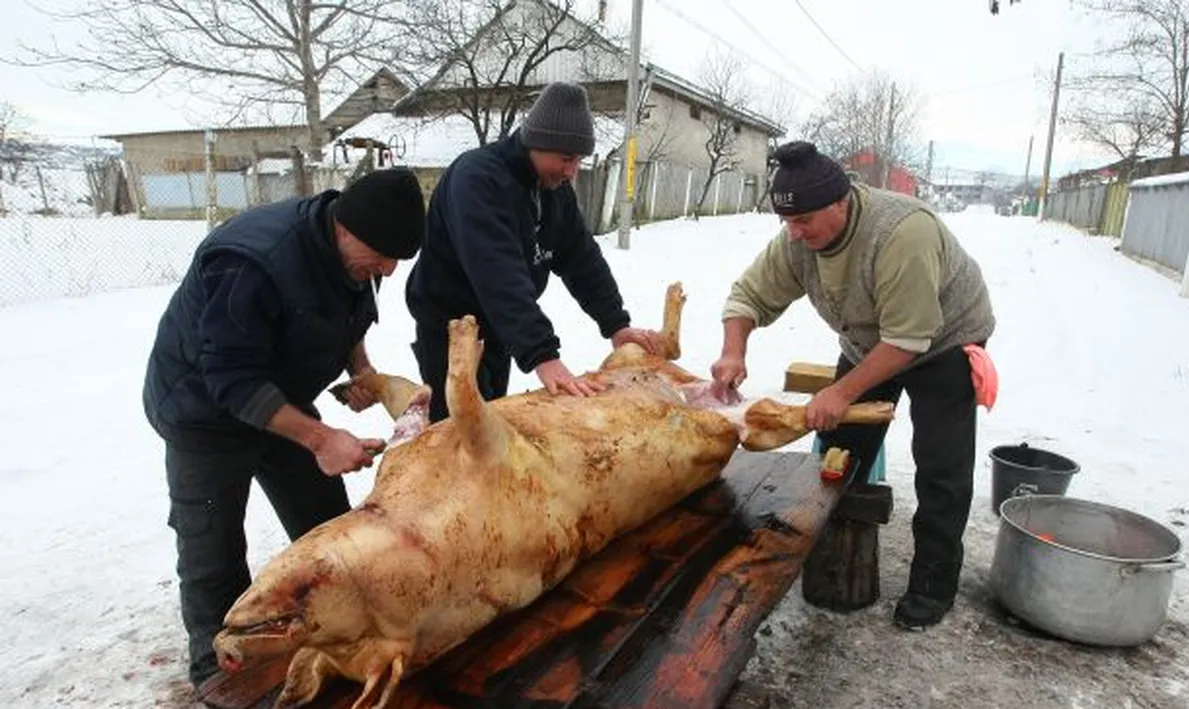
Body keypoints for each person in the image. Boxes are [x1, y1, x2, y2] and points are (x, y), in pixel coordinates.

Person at [140, 167, 427, 687]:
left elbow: (350, 313)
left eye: (395, 261)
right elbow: (231, 379)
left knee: (326, 523)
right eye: (382, 255)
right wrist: (321, 439)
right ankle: (221, 678)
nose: (387, 269)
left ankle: (337, 633)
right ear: (345, 227)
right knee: (213, 554)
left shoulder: (352, 251)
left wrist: (360, 369)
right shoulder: (252, 262)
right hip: (203, 413)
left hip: (279, 398)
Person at [711, 140, 996, 630]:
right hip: (868, 341)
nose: (794, 233)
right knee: (840, 453)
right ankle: (834, 554)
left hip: (944, 341)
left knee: (941, 466)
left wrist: (841, 392)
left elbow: (907, 340)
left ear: (841, 201)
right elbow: (748, 295)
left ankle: (934, 582)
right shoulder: (798, 237)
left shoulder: (902, 233)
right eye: (786, 222)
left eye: (804, 221)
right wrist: (733, 350)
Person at [405, 81, 661, 421]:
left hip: (498, 327)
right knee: (457, 430)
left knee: (493, 421)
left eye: (579, 160)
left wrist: (616, 324)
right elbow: (497, 273)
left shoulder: (554, 189)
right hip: (449, 329)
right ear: (535, 143)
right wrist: (542, 355)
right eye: (566, 159)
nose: (572, 171)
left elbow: (582, 259)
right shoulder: (478, 179)